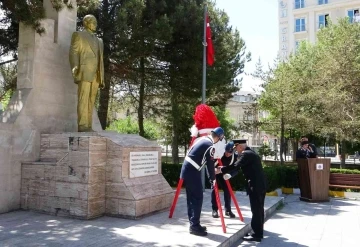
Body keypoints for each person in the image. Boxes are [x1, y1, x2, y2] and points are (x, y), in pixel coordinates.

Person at [180, 127, 224, 236]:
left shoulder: (202, 139)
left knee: (192, 198)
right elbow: (209, 165)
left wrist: (212, 174)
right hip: (192, 172)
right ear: (218, 138)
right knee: (197, 198)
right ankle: (194, 226)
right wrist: (213, 179)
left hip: (188, 170)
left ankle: (194, 224)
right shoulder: (210, 146)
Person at [219, 139, 266, 242]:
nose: (236, 151)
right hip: (260, 185)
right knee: (259, 209)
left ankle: (256, 235)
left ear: (240, 146)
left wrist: (221, 169)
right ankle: (258, 231)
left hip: (255, 186)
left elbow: (236, 165)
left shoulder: (245, 154)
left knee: (256, 210)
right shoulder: (251, 152)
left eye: (236, 149)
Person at [69, 15, 104, 132]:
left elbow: (100, 58)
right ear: (86, 23)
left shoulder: (100, 41)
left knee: (91, 100)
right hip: (84, 71)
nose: (95, 24)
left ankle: (89, 125)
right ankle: (82, 125)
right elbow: (73, 52)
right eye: (93, 22)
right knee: (83, 98)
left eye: (96, 22)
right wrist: (75, 66)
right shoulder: (79, 35)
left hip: (96, 74)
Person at [211, 141, 238, 219]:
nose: (227, 154)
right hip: (215, 173)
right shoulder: (219, 154)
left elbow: (236, 169)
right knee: (214, 190)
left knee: (228, 190)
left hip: (225, 174)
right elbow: (210, 165)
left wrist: (229, 175)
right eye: (226, 151)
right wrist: (214, 170)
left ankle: (228, 210)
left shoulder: (234, 157)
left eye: (230, 153)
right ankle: (214, 210)